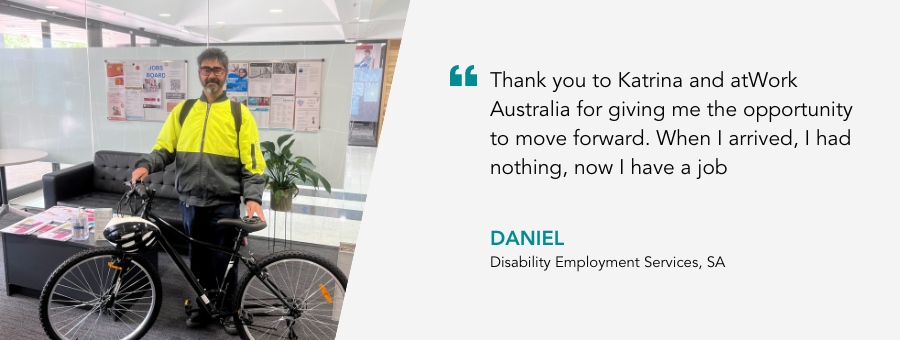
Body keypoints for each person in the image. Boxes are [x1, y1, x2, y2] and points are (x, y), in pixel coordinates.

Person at [131, 47, 266, 334]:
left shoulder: (239, 114)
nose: (211, 74)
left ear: (226, 74)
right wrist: (146, 165)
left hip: (224, 201)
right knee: (198, 258)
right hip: (190, 200)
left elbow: (253, 163)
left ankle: (229, 308)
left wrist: (253, 198)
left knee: (224, 258)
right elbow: (165, 148)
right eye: (206, 69)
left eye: (217, 70)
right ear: (199, 73)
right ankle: (203, 304)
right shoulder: (183, 110)